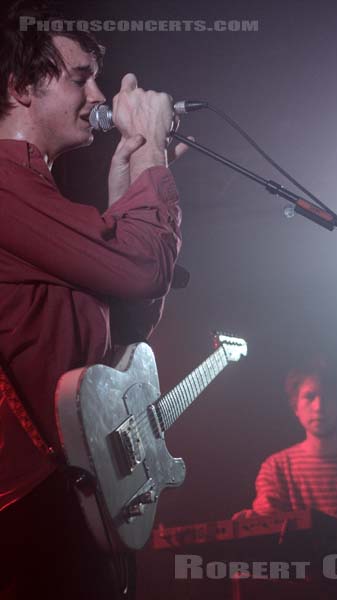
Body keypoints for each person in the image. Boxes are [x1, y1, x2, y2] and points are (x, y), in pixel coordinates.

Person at [0, 2, 188, 599]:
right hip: (28, 510)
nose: (97, 94)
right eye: (81, 78)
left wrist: (128, 193)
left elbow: (118, 339)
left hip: (66, 498)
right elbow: (139, 268)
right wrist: (151, 151)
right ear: (23, 88)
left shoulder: (33, 193)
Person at [233, 359, 337, 534]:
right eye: (310, 397)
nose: (319, 406)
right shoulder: (276, 468)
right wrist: (253, 523)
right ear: (295, 406)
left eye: (327, 396)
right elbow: (267, 528)